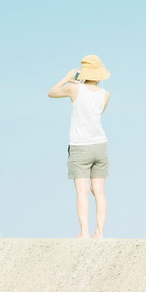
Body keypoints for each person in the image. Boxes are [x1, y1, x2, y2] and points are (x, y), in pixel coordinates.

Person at [48, 55, 111, 239]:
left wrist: (68, 77)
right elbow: (99, 113)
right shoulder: (105, 94)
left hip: (80, 146)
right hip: (100, 144)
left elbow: (51, 92)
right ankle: (99, 232)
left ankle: (84, 232)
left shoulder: (74, 89)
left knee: (82, 191)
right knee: (99, 191)